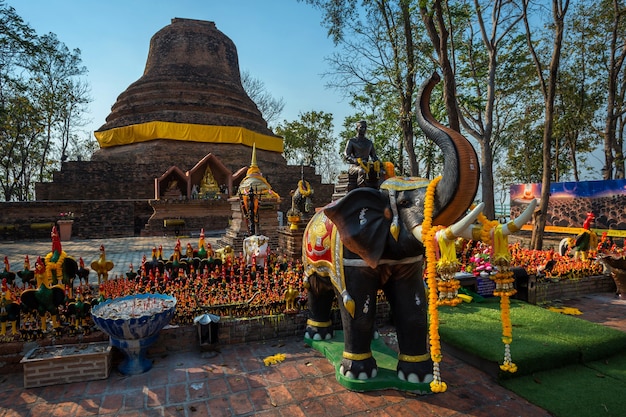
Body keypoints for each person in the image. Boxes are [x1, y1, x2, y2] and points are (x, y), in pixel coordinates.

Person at [343, 120, 381, 190]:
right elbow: (346, 155)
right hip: (355, 167)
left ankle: (377, 190)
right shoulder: (351, 141)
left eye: (365, 127)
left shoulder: (369, 143)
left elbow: (374, 157)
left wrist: (379, 163)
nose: (363, 129)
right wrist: (356, 161)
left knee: (381, 170)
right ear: (356, 129)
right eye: (361, 127)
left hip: (367, 165)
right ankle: (362, 191)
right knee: (362, 170)